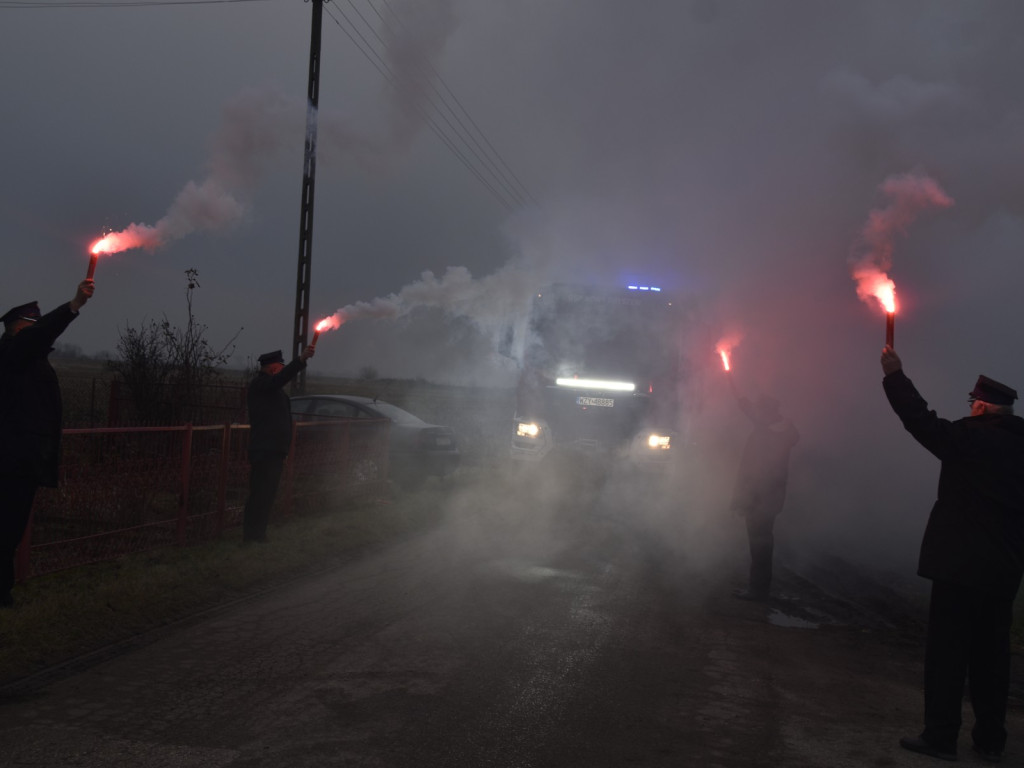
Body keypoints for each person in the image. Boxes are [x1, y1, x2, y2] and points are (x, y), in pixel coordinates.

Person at [882, 346, 1024, 763]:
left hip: (959, 567)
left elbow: (921, 422)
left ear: (981, 405)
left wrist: (895, 377)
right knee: (992, 660)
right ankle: (990, 740)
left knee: (947, 655)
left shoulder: (972, 438)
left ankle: (941, 737)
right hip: (1004, 572)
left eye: (972, 403)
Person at [0, 280, 95, 607]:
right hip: (10, 458)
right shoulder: (14, 353)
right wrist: (73, 305)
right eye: (32, 325)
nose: (38, 331)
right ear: (17, 329)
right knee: (6, 525)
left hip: (24, 458)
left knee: (11, 528)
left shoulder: (29, 358)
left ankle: (3, 589)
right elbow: (40, 336)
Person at [730, 392, 799, 601]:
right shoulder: (778, 430)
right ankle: (759, 588)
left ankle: (758, 591)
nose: (757, 412)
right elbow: (754, 414)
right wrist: (744, 402)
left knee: (760, 545)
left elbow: (756, 473)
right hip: (767, 499)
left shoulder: (769, 433)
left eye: (761, 409)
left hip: (760, 499)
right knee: (761, 544)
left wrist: (744, 499)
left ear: (768, 412)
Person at [242, 345, 315, 542]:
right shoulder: (260, 385)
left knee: (268, 494)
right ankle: (251, 535)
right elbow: (279, 381)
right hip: (264, 450)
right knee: (260, 494)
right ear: (273, 368)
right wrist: (300, 360)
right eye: (280, 367)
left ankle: (259, 534)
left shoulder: (275, 390)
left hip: (274, 451)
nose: (282, 371)